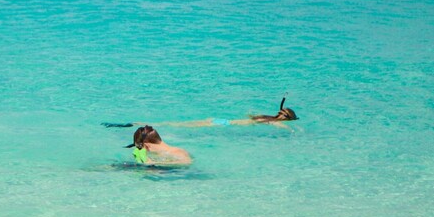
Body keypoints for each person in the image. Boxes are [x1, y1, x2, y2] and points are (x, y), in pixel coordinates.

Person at [104, 97, 298, 129]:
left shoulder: (265, 117)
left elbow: (249, 115)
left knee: (176, 124)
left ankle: (136, 123)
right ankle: (136, 124)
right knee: (174, 125)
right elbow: (280, 125)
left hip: (221, 120)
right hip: (222, 124)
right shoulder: (272, 121)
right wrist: (294, 130)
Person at [126, 125, 192, 166]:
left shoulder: (176, 152)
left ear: (146, 145)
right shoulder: (163, 154)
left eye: (140, 147)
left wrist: (155, 163)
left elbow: (186, 162)